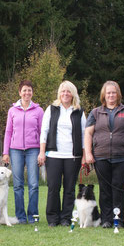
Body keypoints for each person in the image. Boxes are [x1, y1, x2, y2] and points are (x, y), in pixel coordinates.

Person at [84, 81, 124, 228]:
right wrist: (88, 153)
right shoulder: (95, 113)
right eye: (108, 92)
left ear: (118, 94)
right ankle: (106, 219)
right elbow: (88, 133)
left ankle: (120, 219)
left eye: (113, 92)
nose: (111, 95)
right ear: (104, 95)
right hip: (100, 156)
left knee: (119, 188)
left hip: (121, 156)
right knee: (104, 189)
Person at [38, 80, 86, 227]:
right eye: (63, 91)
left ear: (73, 94)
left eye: (68, 91)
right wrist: (42, 152)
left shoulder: (79, 111)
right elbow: (44, 131)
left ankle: (66, 218)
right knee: (53, 187)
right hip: (54, 155)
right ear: (59, 93)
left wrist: (84, 155)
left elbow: (84, 135)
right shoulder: (51, 109)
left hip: (73, 156)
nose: (65, 94)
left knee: (69, 189)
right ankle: (53, 218)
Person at [2, 80, 44, 224]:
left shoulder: (38, 110)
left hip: (33, 149)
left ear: (32, 93)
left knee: (33, 184)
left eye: (29, 90)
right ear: (19, 92)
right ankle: (20, 217)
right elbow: (8, 132)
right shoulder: (12, 110)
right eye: (24, 90)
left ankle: (33, 216)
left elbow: (42, 132)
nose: (27, 93)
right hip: (15, 150)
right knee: (18, 185)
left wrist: (42, 152)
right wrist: (5, 152)